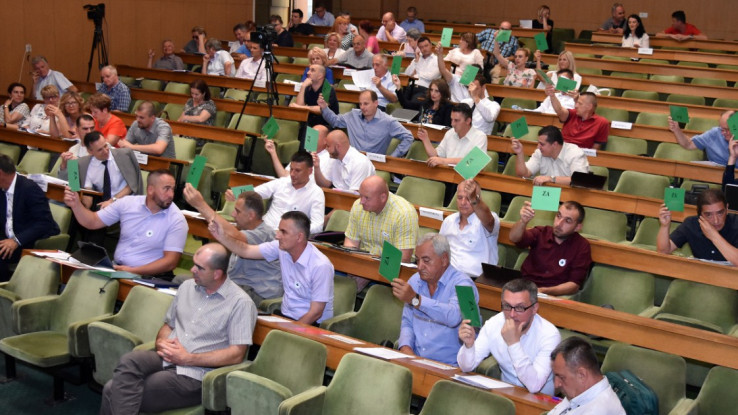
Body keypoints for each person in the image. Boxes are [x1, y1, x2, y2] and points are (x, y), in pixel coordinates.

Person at [99, 243, 257, 415]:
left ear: (217, 273)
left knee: (112, 389)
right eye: (194, 264)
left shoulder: (241, 303)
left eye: (199, 268)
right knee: (130, 360)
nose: (192, 270)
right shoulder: (187, 287)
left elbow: (237, 354)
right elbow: (169, 325)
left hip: (197, 374)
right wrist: (161, 342)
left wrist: (188, 359)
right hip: (167, 358)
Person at [208, 211, 334, 325]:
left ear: (299, 237)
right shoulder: (281, 248)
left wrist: (291, 333)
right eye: (279, 230)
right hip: (286, 317)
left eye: (283, 232)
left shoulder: (320, 265)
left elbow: (316, 312)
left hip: (311, 324)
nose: (277, 236)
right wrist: (221, 236)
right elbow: (245, 250)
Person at [64, 169, 188, 279]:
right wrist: (76, 205)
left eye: (173, 189)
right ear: (150, 189)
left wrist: (133, 271)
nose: (171, 195)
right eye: (166, 189)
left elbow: (170, 262)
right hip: (117, 269)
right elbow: (93, 221)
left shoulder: (177, 220)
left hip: (149, 277)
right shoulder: (127, 203)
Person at [183, 185, 282, 304]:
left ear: (251, 215)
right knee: (184, 283)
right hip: (237, 287)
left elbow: (235, 236)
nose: (232, 214)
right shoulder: (245, 230)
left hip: (255, 293)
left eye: (238, 211)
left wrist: (201, 205)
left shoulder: (265, 234)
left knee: (203, 291)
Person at [458, 278, 560, 394]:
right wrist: (469, 346)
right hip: (506, 394)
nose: (512, 314)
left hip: (538, 399)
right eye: (507, 306)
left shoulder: (549, 335)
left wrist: (513, 344)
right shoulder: (493, 324)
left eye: (520, 308)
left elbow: (534, 386)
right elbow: (466, 367)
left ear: (534, 309)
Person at [395, 233, 478, 366]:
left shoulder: (464, 285)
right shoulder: (415, 281)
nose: (419, 266)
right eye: (417, 260)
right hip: (415, 360)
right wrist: (406, 349)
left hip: (451, 366)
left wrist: (416, 300)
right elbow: (407, 322)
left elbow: (454, 317)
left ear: (444, 259)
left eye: (426, 260)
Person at [510, 200, 592, 295]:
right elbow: (514, 238)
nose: (559, 223)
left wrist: (544, 291)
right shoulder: (541, 232)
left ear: (578, 227)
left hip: (554, 295)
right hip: (525, 287)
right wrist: (522, 222)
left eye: (568, 221)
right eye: (558, 216)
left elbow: (574, 285)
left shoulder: (582, 246)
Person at [0, 154, 59, 281]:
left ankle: (4, 288)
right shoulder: (2, 189)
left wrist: (16, 241)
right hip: (6, 237)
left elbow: (44, 223)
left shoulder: (30, 189)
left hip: (26, 240)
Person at [58, 131, 144, 210]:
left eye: (105, 146)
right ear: (90, 151)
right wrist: (68, 165)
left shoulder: (124, 154)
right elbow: (77, 188)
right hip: (102, 205)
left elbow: (131, 186)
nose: (105, 151)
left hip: (125, 201)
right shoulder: (83, 163)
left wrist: (112, 201)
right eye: (100, 150)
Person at [319, 90, 414, 157]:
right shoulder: (353, 115)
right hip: (353, 160)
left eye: (366, 104)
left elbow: (408, 137)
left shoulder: (388, 121)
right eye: (360, 104)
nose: (362, 107)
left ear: (376, 103)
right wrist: (324, 107)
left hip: (374, 164)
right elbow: (335, 121)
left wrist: (393, 157)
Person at [345, 175, 418, 261]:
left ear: (383, 197)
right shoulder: (358, 206)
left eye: (367, 198)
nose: (361, 202)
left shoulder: (404, 214)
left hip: (390, 265)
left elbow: (402, 258)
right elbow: (351, 242)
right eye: (361, 196)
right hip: (363, 262)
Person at [547, 337, 626, 415]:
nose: (556, 384)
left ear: (582, 375)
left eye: (561, 377)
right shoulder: (579, 393)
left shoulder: (599, 410)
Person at [658, 189, 738, 264]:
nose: (716, 220)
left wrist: (714, 236)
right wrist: (665, 226)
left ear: (727, 209)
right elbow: (663, 252)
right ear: (700, 214)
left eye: (720, 213)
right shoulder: (691, 224)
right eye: (708, 215)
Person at [254, 151, 326, 235]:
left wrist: (295, 231)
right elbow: (253, 191)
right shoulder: (281, 182)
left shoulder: (316, 193)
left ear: (310, 171)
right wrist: (239, 190)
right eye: (291, 169)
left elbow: (318, 226)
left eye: (297, 171)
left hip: (288, 237)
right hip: (264, 229)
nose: (292, 174)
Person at [435, 43, 499, 135]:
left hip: (477, 136)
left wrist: (475, 97)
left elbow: (489, 117)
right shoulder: (463, 96)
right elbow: (443, 70)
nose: (469, 82)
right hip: (455, 121)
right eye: (466, 73)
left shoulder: (491, 104)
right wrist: (440, 55)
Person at [440, 179, 500, 277]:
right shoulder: (448, 221)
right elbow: (440, 251)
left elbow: (489, 221)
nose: (463, 202)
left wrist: (474, 199)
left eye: (468, 198)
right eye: (460, 198)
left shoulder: (487, 219)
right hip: (448, 276)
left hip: (476, 280)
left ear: (478, 199)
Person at [513, 125, 589, 186]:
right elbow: (523, 174)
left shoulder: (575, 153)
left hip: (569, 197)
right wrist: (520, 153)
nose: (538, 147)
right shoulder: (539, 153)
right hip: (546, 196)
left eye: (542, 144)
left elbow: (580, 180)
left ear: (554, 144)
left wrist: (551, 179)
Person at [417, 103, 486, 167]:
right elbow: (436, 156)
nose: (452, 124)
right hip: (446, 174)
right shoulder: (450, 133)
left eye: (456, 120)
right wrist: (425, 139)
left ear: (468, 121)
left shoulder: (480, 137)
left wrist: (444, 161)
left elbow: (474, 162)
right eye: (451, 120)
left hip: (465, 176)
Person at [263, 126, 332, 182]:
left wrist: (316, 167)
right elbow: (284, 175)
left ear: (325, 141)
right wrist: (273, 152)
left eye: (314, 136)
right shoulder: (303, 154)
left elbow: (324, 184)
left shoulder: (329, 158)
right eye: (310, 135)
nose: (310, 139)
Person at [667, 110, 735, 165]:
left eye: (727, 129)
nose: (723, 133)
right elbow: (689, 144)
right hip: (712, 174)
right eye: (722, 129)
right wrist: (676, 129)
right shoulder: (714, 133)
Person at [290, 64, 339, 128]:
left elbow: (321, 109)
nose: (308, 73)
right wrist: (303, 87)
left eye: (312, 70)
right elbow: (299, 108)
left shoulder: (327, 88)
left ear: (320, 76)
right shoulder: (307, 88)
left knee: (317, 129)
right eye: (309, 70)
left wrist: (301, 107)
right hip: (310, 123)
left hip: (327, 124)